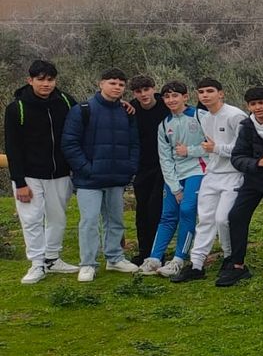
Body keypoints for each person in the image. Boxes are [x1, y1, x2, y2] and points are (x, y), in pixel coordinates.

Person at [60, 68, 141, 281]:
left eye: (121, 84)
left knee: (115, 220)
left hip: (117, 177)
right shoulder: (82, 110)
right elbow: (70, 144)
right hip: (89, 179)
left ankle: (114, 258)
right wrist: (87, 169)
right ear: (101, 84)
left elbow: (134, 143)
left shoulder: (127, 111)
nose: (117, 87)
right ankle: (87, 263)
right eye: (112, 83)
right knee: (89, 221)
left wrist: (129, 167)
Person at [6, 60, 79, 284]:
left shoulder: (66, 101)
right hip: (29, 175)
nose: (46, 84)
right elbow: (12, 147)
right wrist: (19, 182)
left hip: (60, 173)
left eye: (50, 79)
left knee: (57, 218)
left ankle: (52, 258)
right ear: (30, 80)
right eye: (41, 79)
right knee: (32, 219)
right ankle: (37, 263)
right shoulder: (16, 108)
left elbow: (85, 122)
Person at [172, 78, 247, 283]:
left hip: (233, 174)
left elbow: (243, 148)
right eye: (201, 92)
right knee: (205, 218)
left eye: (210, 91)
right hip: (212, 175)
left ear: (220, 93)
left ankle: (230, 259)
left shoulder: (235, 115)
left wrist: (216, 149)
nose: (205, 95)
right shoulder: (204, 117)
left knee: (223, 219)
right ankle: (196, 265)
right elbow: (207, 148)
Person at [217, 86, 263, 289]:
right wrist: (257, 164)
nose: (258, 107)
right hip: (253, 179)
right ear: (248, 106)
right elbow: (237, 157)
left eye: (262, 103)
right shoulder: (246, 126)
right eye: (253, 104)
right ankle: (237, 265)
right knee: (236, 216)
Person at [145, 82, 205, 277]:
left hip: (198, 170)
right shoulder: (164, 125)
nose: (171, 100)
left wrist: (190, 151)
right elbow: (165, 157)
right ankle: (154, 258)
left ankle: (179, 258)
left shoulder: (200, 116)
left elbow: (214, 147)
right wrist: (174, 186)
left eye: (175, 96)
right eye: (167, 97)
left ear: (185, 97)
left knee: (187, 210)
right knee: (168, 215)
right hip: (175, 176)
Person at [128, 74, 166, 265]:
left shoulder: (166, 105)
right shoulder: (130, 109)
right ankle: (144, 251)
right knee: (142, 209)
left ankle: (158, 252)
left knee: (156, 208)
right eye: (138, 91)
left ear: (153, 88)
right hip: (142, 166)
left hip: (164, 165)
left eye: (146, 90)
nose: (143, 94)